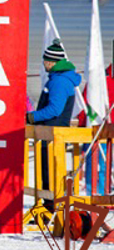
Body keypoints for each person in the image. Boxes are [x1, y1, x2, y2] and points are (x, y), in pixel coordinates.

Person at [26, 39, 81, 200]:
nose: (43, 63)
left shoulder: (59, 81)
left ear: (51, 62)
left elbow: (55, 109)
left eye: (45, 60)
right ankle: (48, 207)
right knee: (48, 173)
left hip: (52, 135)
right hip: (50, 134)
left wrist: (32, 116)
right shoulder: (58, 78)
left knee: (49, 173)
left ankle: (51, 207)